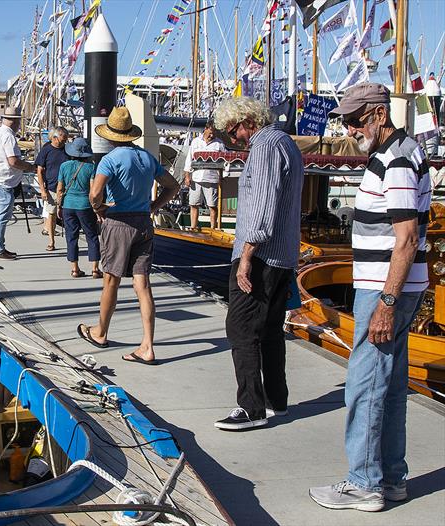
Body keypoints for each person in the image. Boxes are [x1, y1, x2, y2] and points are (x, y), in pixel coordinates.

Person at [309, 83, 431, 512]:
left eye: (356, 119)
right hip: (397, 286)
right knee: (391, 386)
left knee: (365, 385)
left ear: (379, 115)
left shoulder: (395, 159)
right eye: (345, 120)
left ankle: (364, 482)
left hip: (384, 289)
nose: (350, 128)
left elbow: (407, 237)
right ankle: (391, 477)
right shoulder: (402, 153)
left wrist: (387, 303)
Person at [211, 97, 303, 431]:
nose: (232, 138)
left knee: (240, 327)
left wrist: (246, 257)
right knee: (269, 331)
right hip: (282, 255)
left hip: (261, 254)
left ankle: (251, 407)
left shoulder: (264, 147)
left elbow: (263, 209)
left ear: (247, 120)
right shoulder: (286, 143)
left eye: (233, 130)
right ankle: (276, 400)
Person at [76, 106, 180, 365]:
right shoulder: (147, 158)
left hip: (118, 223)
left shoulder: (110, 160)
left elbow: (95, 193)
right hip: (143, 223)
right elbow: (173, 186)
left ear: (111, 134)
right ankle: (147, 346)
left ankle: (100, 332)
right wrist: (153, 207)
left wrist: (99, 209)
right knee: (142, 286)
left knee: (111, 280)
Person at [0, 107, 35, 260]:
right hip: (3, 182)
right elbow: (13, 161)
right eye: (19, 120)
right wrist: (29, 167)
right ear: (14, 121)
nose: (20, 124)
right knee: (2, 216)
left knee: (2, 215)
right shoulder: (8, 136)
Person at [56, 137, 101, 279]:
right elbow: (93, 191)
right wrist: (96, 208)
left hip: (68, 205)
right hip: (85, 206)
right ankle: (95, 269)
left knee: (71, 236)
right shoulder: (91, 167)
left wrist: (59, 205)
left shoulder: (64, 166)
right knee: (92, 236)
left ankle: (75, 269)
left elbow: (60, 188)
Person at [181, 120, 226, 230]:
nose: (212, 135)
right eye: (210, 132)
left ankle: (213, 228)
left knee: (212, 205)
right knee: (194, 204)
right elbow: (189, 159)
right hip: (196, 177)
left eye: (214, 133)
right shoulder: (196, 142)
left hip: (212, 178)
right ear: (205, 129)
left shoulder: (219, 144)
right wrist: (187, 176)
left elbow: (224, 161)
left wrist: (223, 176)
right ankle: (193, 226)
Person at [35, 127, 69, 251]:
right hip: (51, 188)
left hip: (66, 188)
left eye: (65, 141)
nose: (63, 143)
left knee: (65, 214)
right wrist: (42, 189)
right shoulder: (46, 150)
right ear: (54, 138)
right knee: (51, 214)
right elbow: (39, 170)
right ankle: (51, 241)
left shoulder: (67, 150)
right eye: (62, 140)